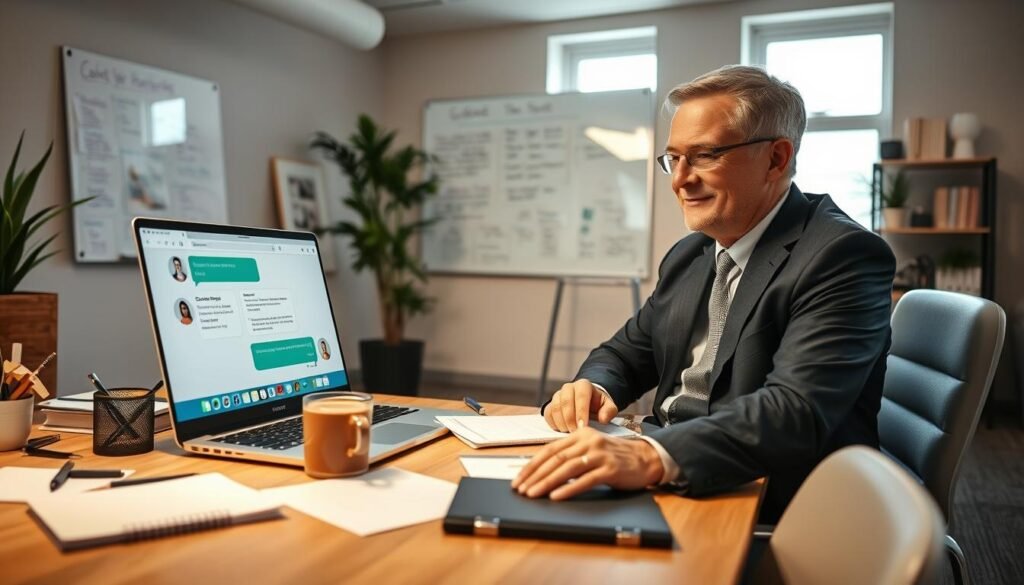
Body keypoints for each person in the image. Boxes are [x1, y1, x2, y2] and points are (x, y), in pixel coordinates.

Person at [511, 65, 895, 523]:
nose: (680, 179)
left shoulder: (843, 255)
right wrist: (592, 386)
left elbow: (794, 413)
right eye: (674, 158)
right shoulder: (692, 253)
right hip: (670, 470)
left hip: (761, 498)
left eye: (705, 155)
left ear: (776, 158)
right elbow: (626, 352)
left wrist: (651, 456)